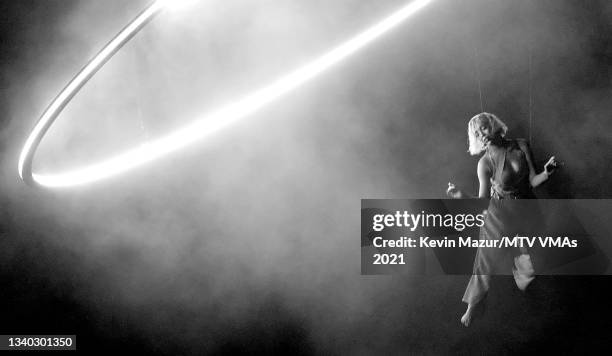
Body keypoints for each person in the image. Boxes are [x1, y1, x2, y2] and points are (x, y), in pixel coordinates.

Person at [446, 112, 558, 327]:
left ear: (494, 125)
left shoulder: (521, 145)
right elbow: (482, 201)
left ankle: (522, 273)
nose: (482, 135)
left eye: (484, 128)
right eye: (477, 133)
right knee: (485, 259)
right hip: (499, 212)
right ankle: (473, 304)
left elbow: (533, 181)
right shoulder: (484, 163)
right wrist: (460, 196)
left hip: (526, 206)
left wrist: (547, 173)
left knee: (534, 261)